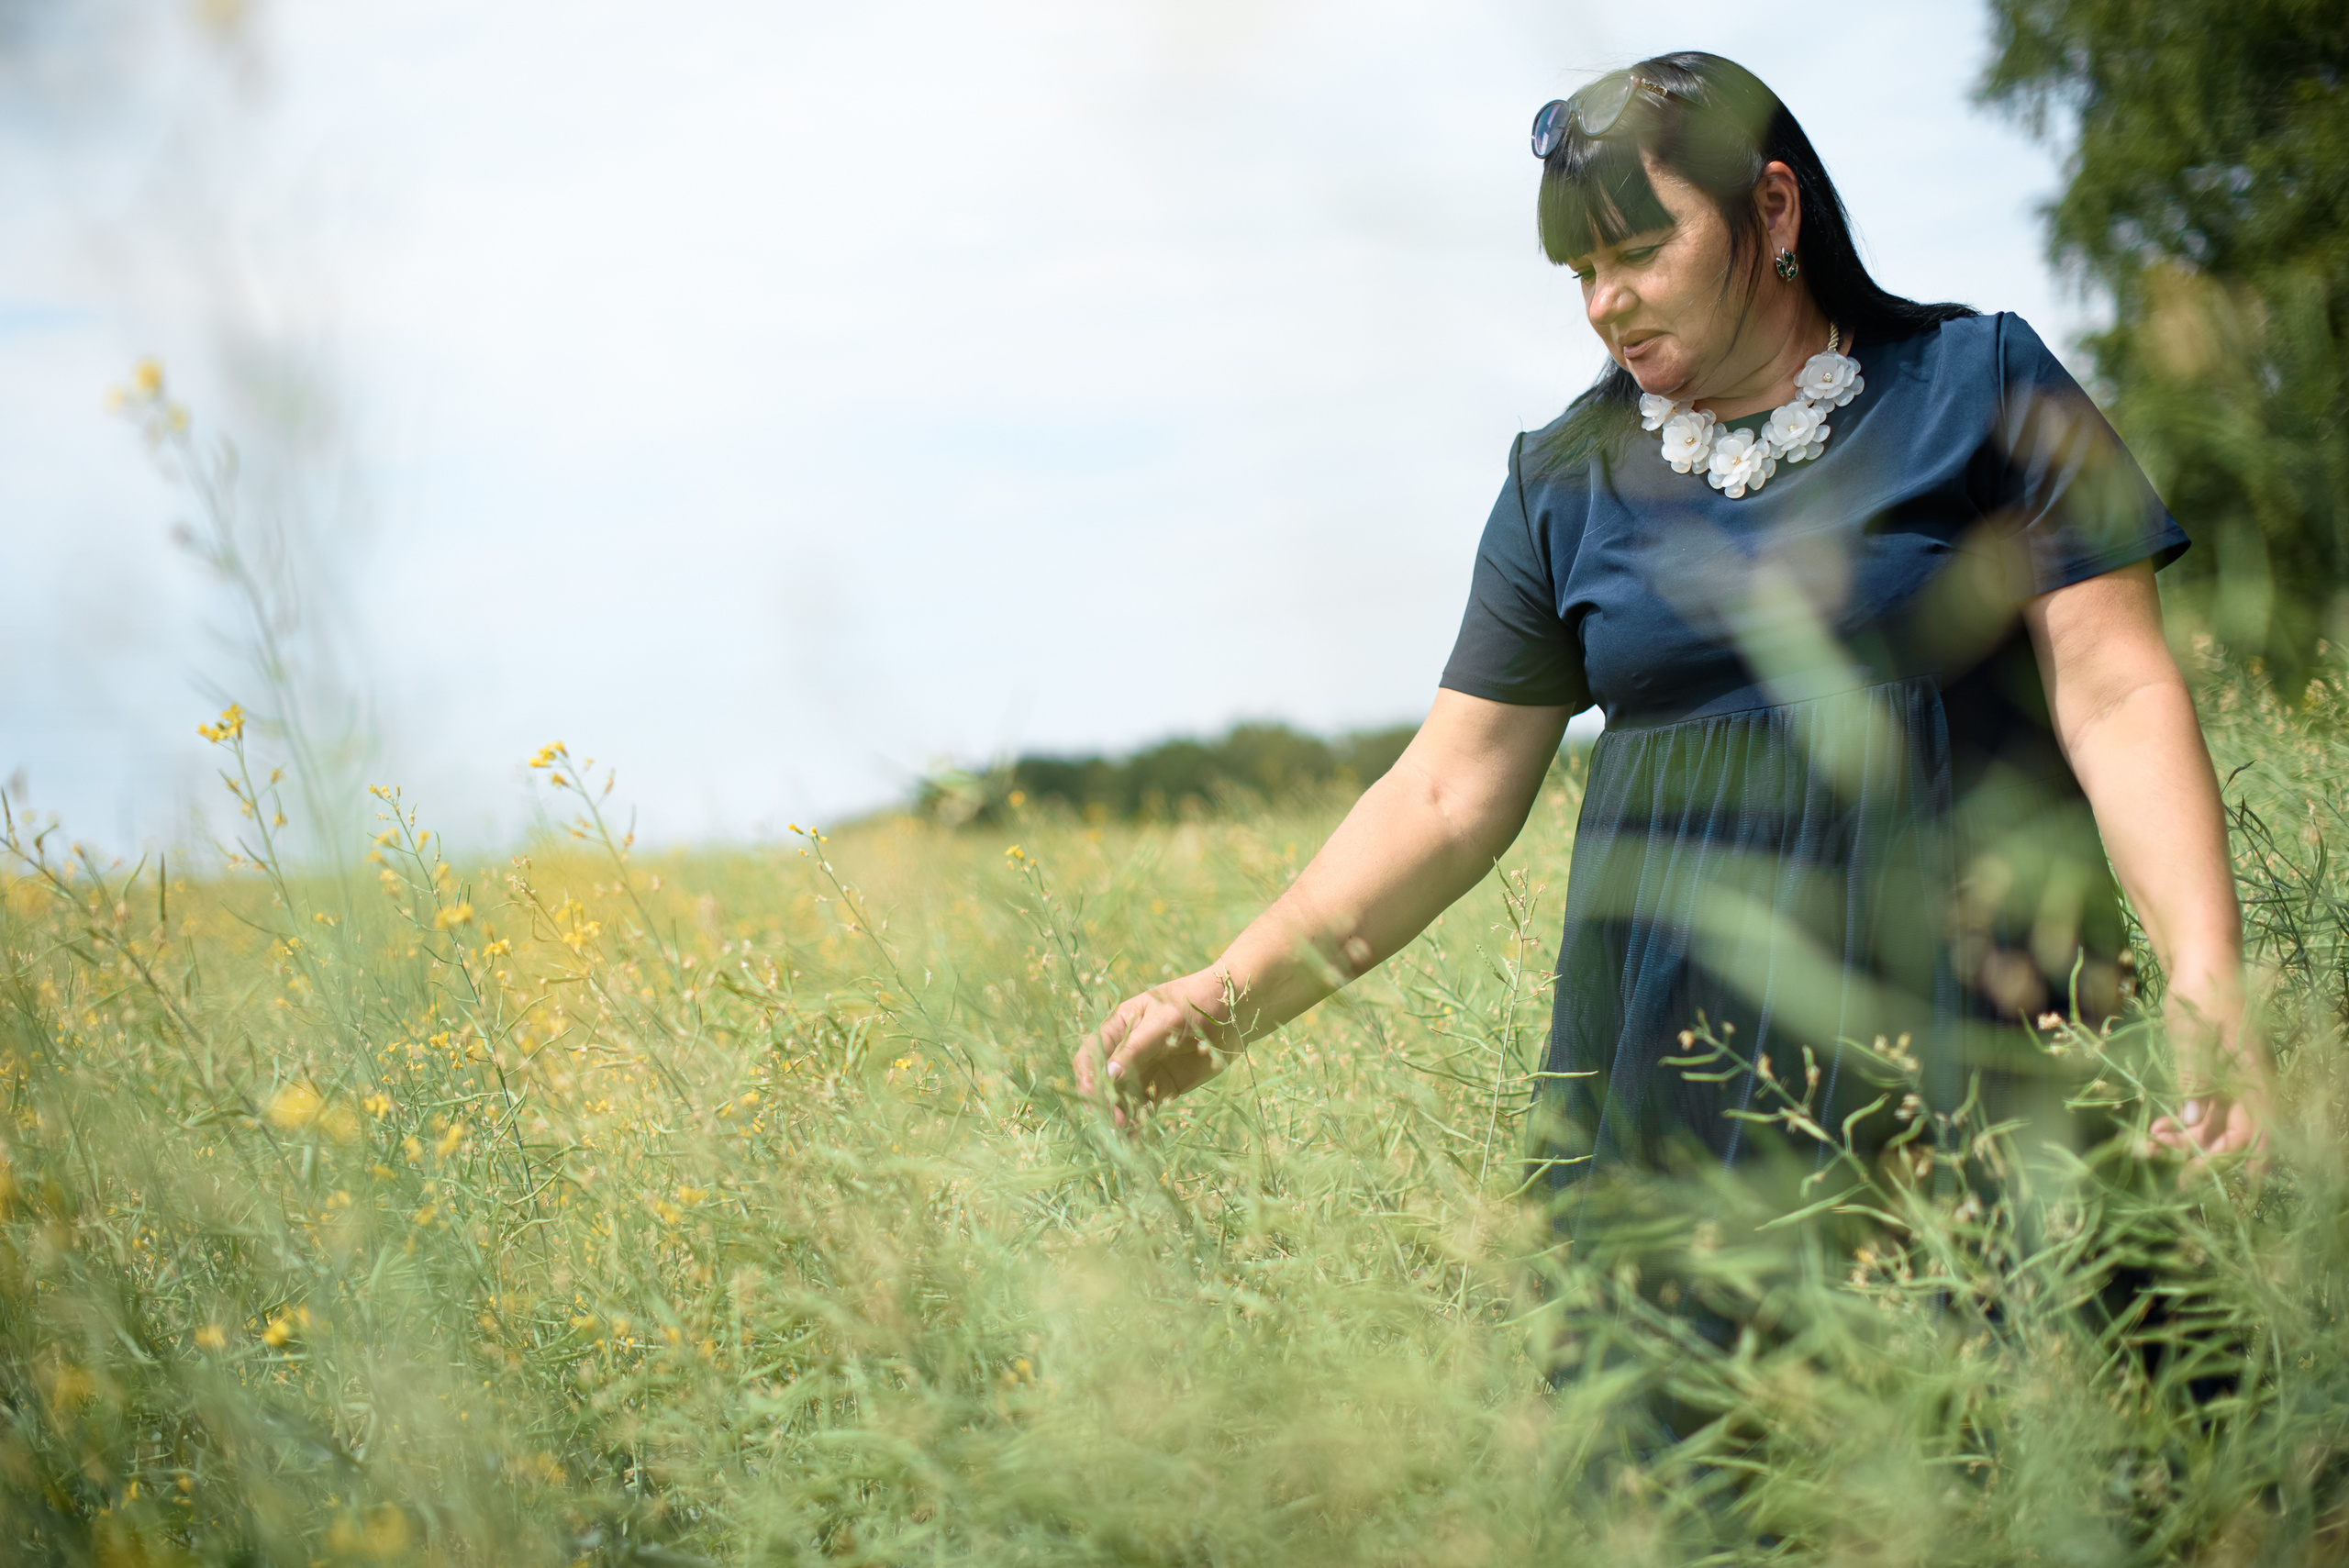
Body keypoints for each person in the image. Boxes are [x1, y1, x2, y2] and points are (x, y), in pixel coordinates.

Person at [1074, 53, 2266, 1218]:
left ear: (1774, 207)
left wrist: (2207, 976)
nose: (1606, 302)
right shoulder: (1560, 482)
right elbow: (1443, 796)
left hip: (1994, 1074)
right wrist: (1227, 994)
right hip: (1673, 1132)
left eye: (1640, 251)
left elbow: (2116, 696)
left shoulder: (1982, 385)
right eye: (1582, 270)